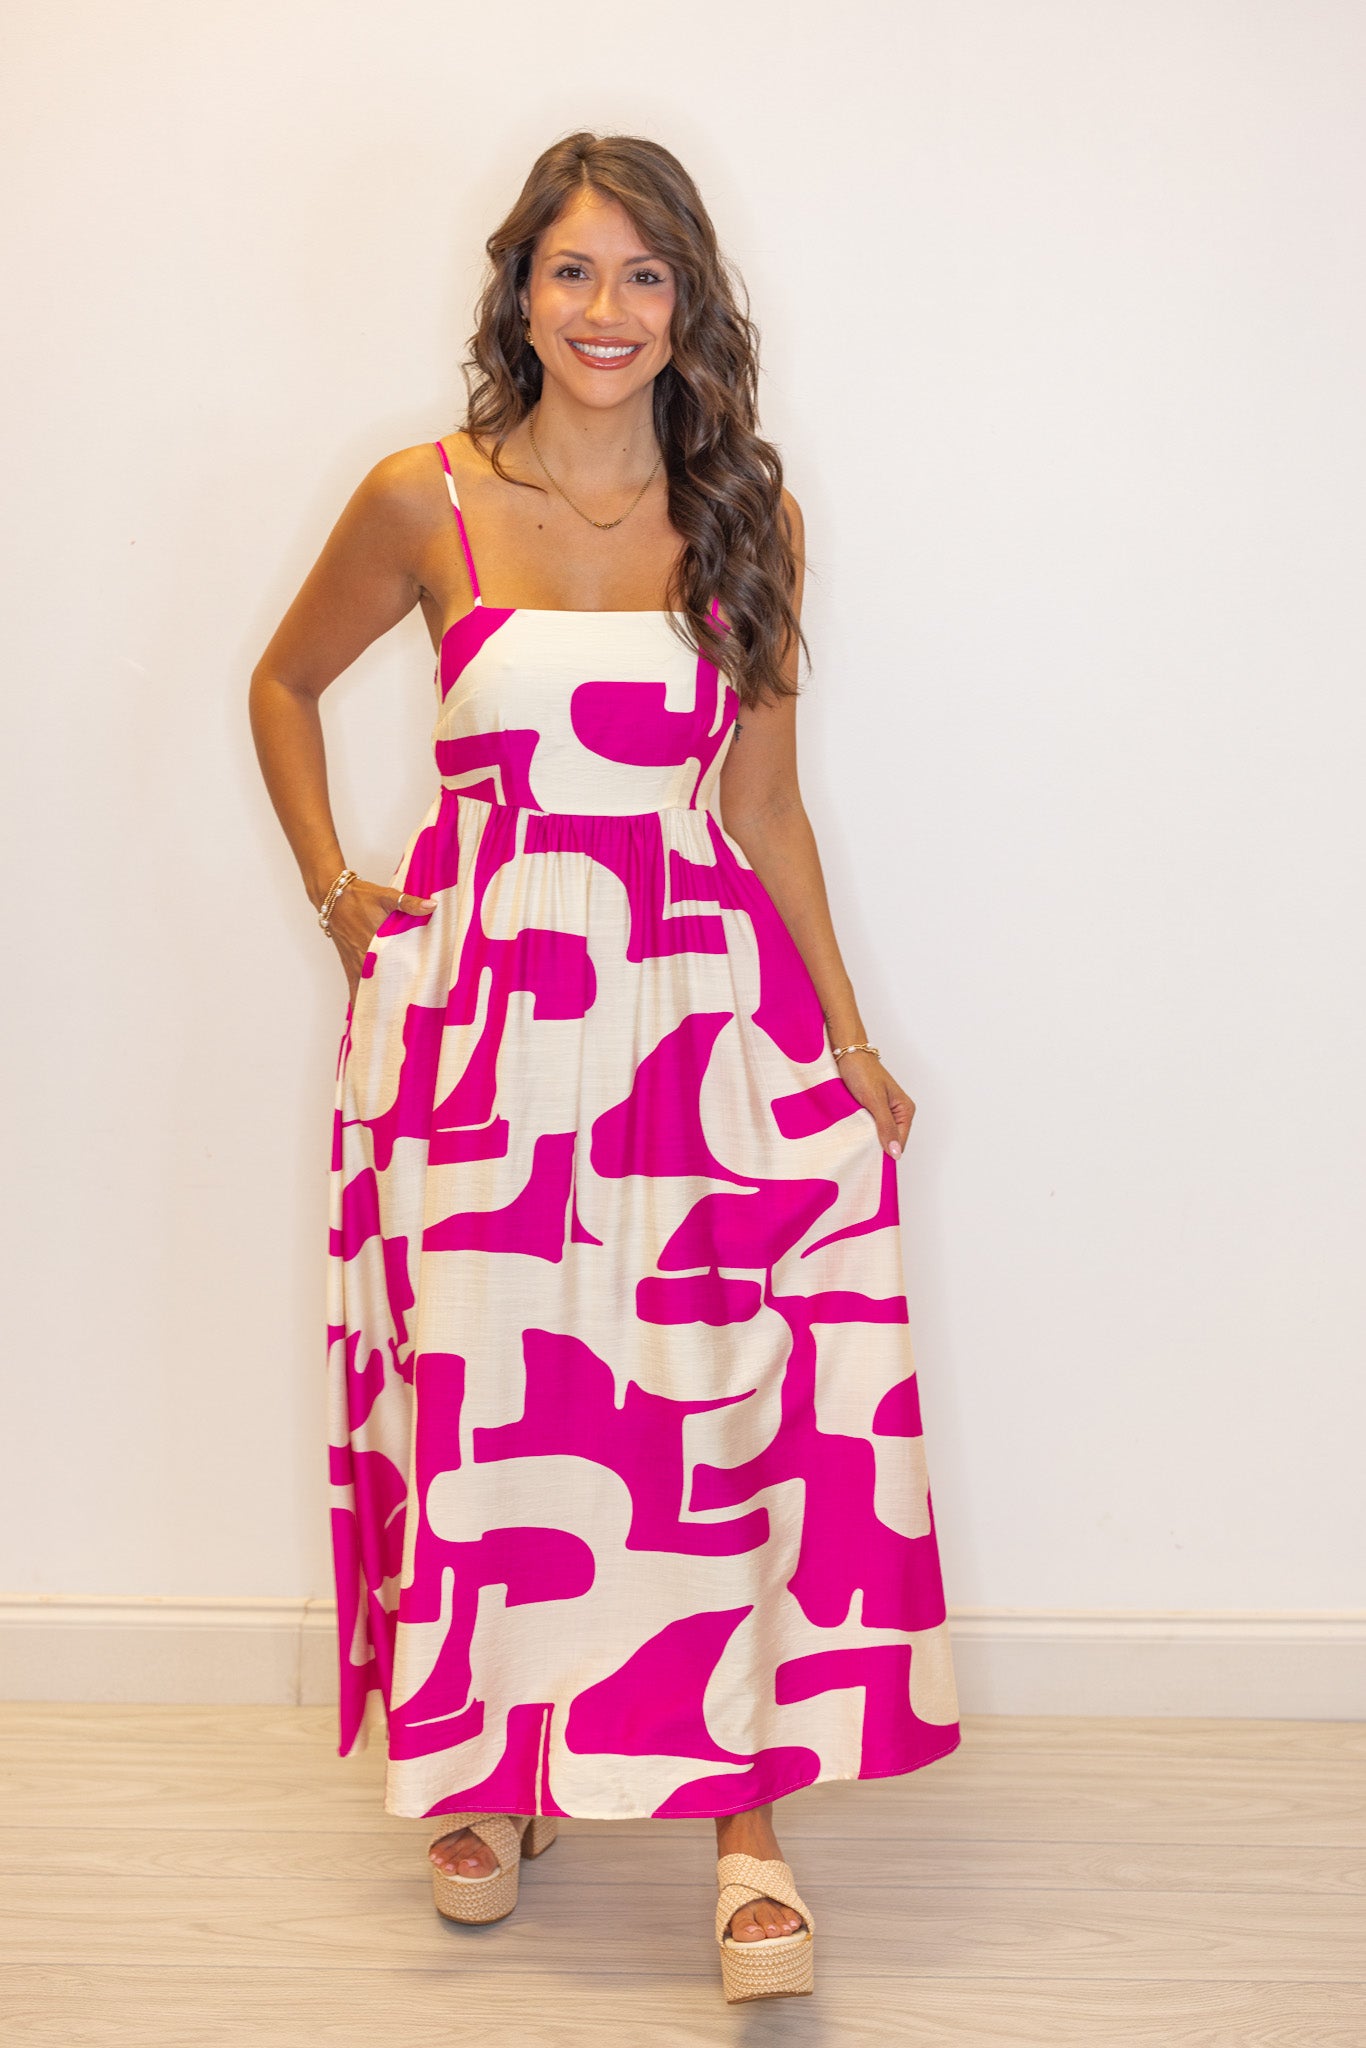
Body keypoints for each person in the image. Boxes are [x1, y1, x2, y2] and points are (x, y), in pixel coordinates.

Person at [249, 129, 961, 2005]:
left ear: (686, 303)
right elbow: (281, 685)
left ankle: (744, 1830)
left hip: (693, 1022)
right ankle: (485, 1774)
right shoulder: (424, 499)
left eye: (644, 274)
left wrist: (849, 1041)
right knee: (490, 1394)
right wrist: (339, 900)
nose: (606, 308)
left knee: (713, 1400)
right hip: (479, 1029)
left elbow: (765, 807)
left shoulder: (745, 514)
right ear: (520, 292)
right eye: (573, 269)